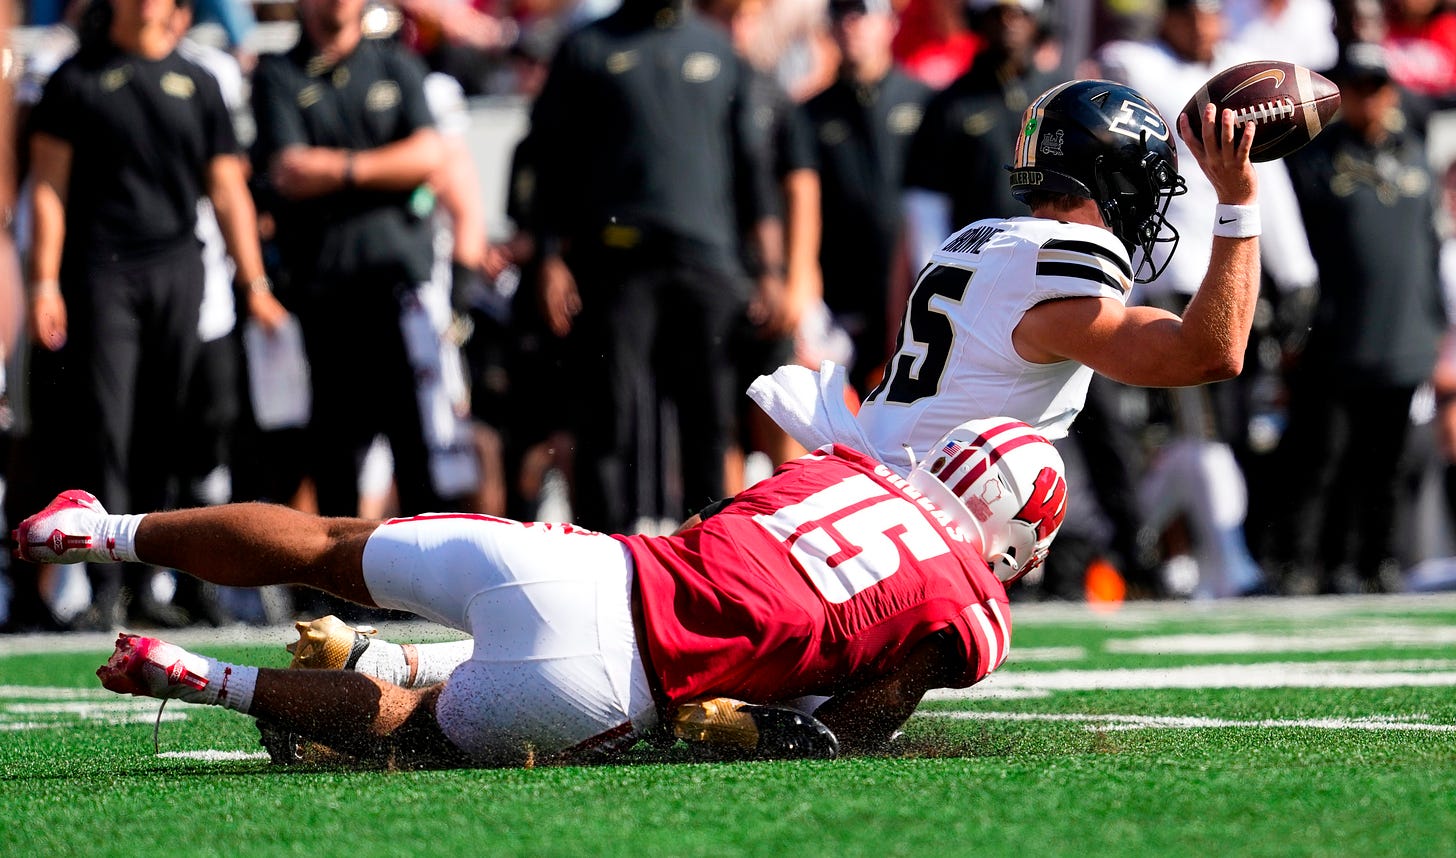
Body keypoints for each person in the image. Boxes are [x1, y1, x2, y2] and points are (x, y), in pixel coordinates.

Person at [21, 417, 1067, 766]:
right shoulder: (965, 604)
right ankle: (203, 677)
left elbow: (724, 526)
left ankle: (99, 528)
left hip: (585, 561)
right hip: (612, 676)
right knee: (417, 729)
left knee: (329, 541)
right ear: (1015, 536)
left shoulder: (848, 468)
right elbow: (852, 726)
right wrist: (772, 722)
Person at [751, 78, 1261, 543]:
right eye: (1142, 187)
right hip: (893, 527)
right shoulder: (1058, 266)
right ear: (1112, 183)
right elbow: (1209, 354)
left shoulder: (978, 241)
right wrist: (1237, 203)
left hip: (848, 483)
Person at [20, 0, 281, 629]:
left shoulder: (197, 81)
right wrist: (43, 282)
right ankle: (104, 584)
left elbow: (227, 188)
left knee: (167, 430)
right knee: (107, 425)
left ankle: (150, 583)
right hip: (103, 272)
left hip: (177, 269)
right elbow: (49, 188)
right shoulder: (75, 78)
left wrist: (255, 283)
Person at [528, 0, 788, 532]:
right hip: (616, 263)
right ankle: (608, 558)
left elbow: (752, 171)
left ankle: (708, 564)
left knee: (710, 424)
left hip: (708, 265)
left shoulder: (719, 48)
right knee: (609, 419)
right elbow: (550, 163)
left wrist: (771, 270)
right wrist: (550, 257)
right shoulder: (587, 47)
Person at [249, 0, 453, 522]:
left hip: (398, 286)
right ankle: (343, 584)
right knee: (335, 445)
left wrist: (340, 169)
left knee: (415, 435)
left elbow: (430, 154)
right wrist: (387, 168)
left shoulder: (396, 65)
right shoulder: (280, 73)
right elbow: (290, 169)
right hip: (325, 290)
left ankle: (425, 577)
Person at [1271, 42, 1447, 593]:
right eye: (1357, 88)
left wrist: (1435, 325)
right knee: (1320, 458)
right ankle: (1301, 564)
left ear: (1391, 92)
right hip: (1336, 335)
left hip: (1404, 336)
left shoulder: (1413, 151)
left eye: (1376, 87)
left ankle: (1377, 562)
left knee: (1387, 464)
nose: (1368, 99)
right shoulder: (1314, 159)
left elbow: (1426, 242)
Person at [803, 0, 933, 396]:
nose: (850, 24)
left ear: (890, 23)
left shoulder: (927, 103)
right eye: (840, 13)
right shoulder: (810, 113)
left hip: (916, 289)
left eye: (861, 12)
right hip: (839, 294)